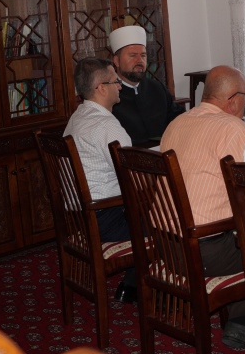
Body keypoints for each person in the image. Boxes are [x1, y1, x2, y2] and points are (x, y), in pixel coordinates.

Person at [159, 65, 245, 279]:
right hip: (206, 252)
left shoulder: (176, 123)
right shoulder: (232, 128)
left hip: (166, 248)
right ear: (234, 100)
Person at [62, 57, 136, 303]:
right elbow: (133, 177)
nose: (120, 86)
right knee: (169, 223)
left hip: (78, 218)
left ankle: (133, 284)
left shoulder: (78, 117)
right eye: (116, 81)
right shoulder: (106, 126)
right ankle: (146, 289)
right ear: (101, 88)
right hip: (104, 219)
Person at [108, 25, 184, 146]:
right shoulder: (109, 95)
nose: (140, 60)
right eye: (133, 55)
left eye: (143, 55)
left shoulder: (157, 88)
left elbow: (178, 118)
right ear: (116, 61)